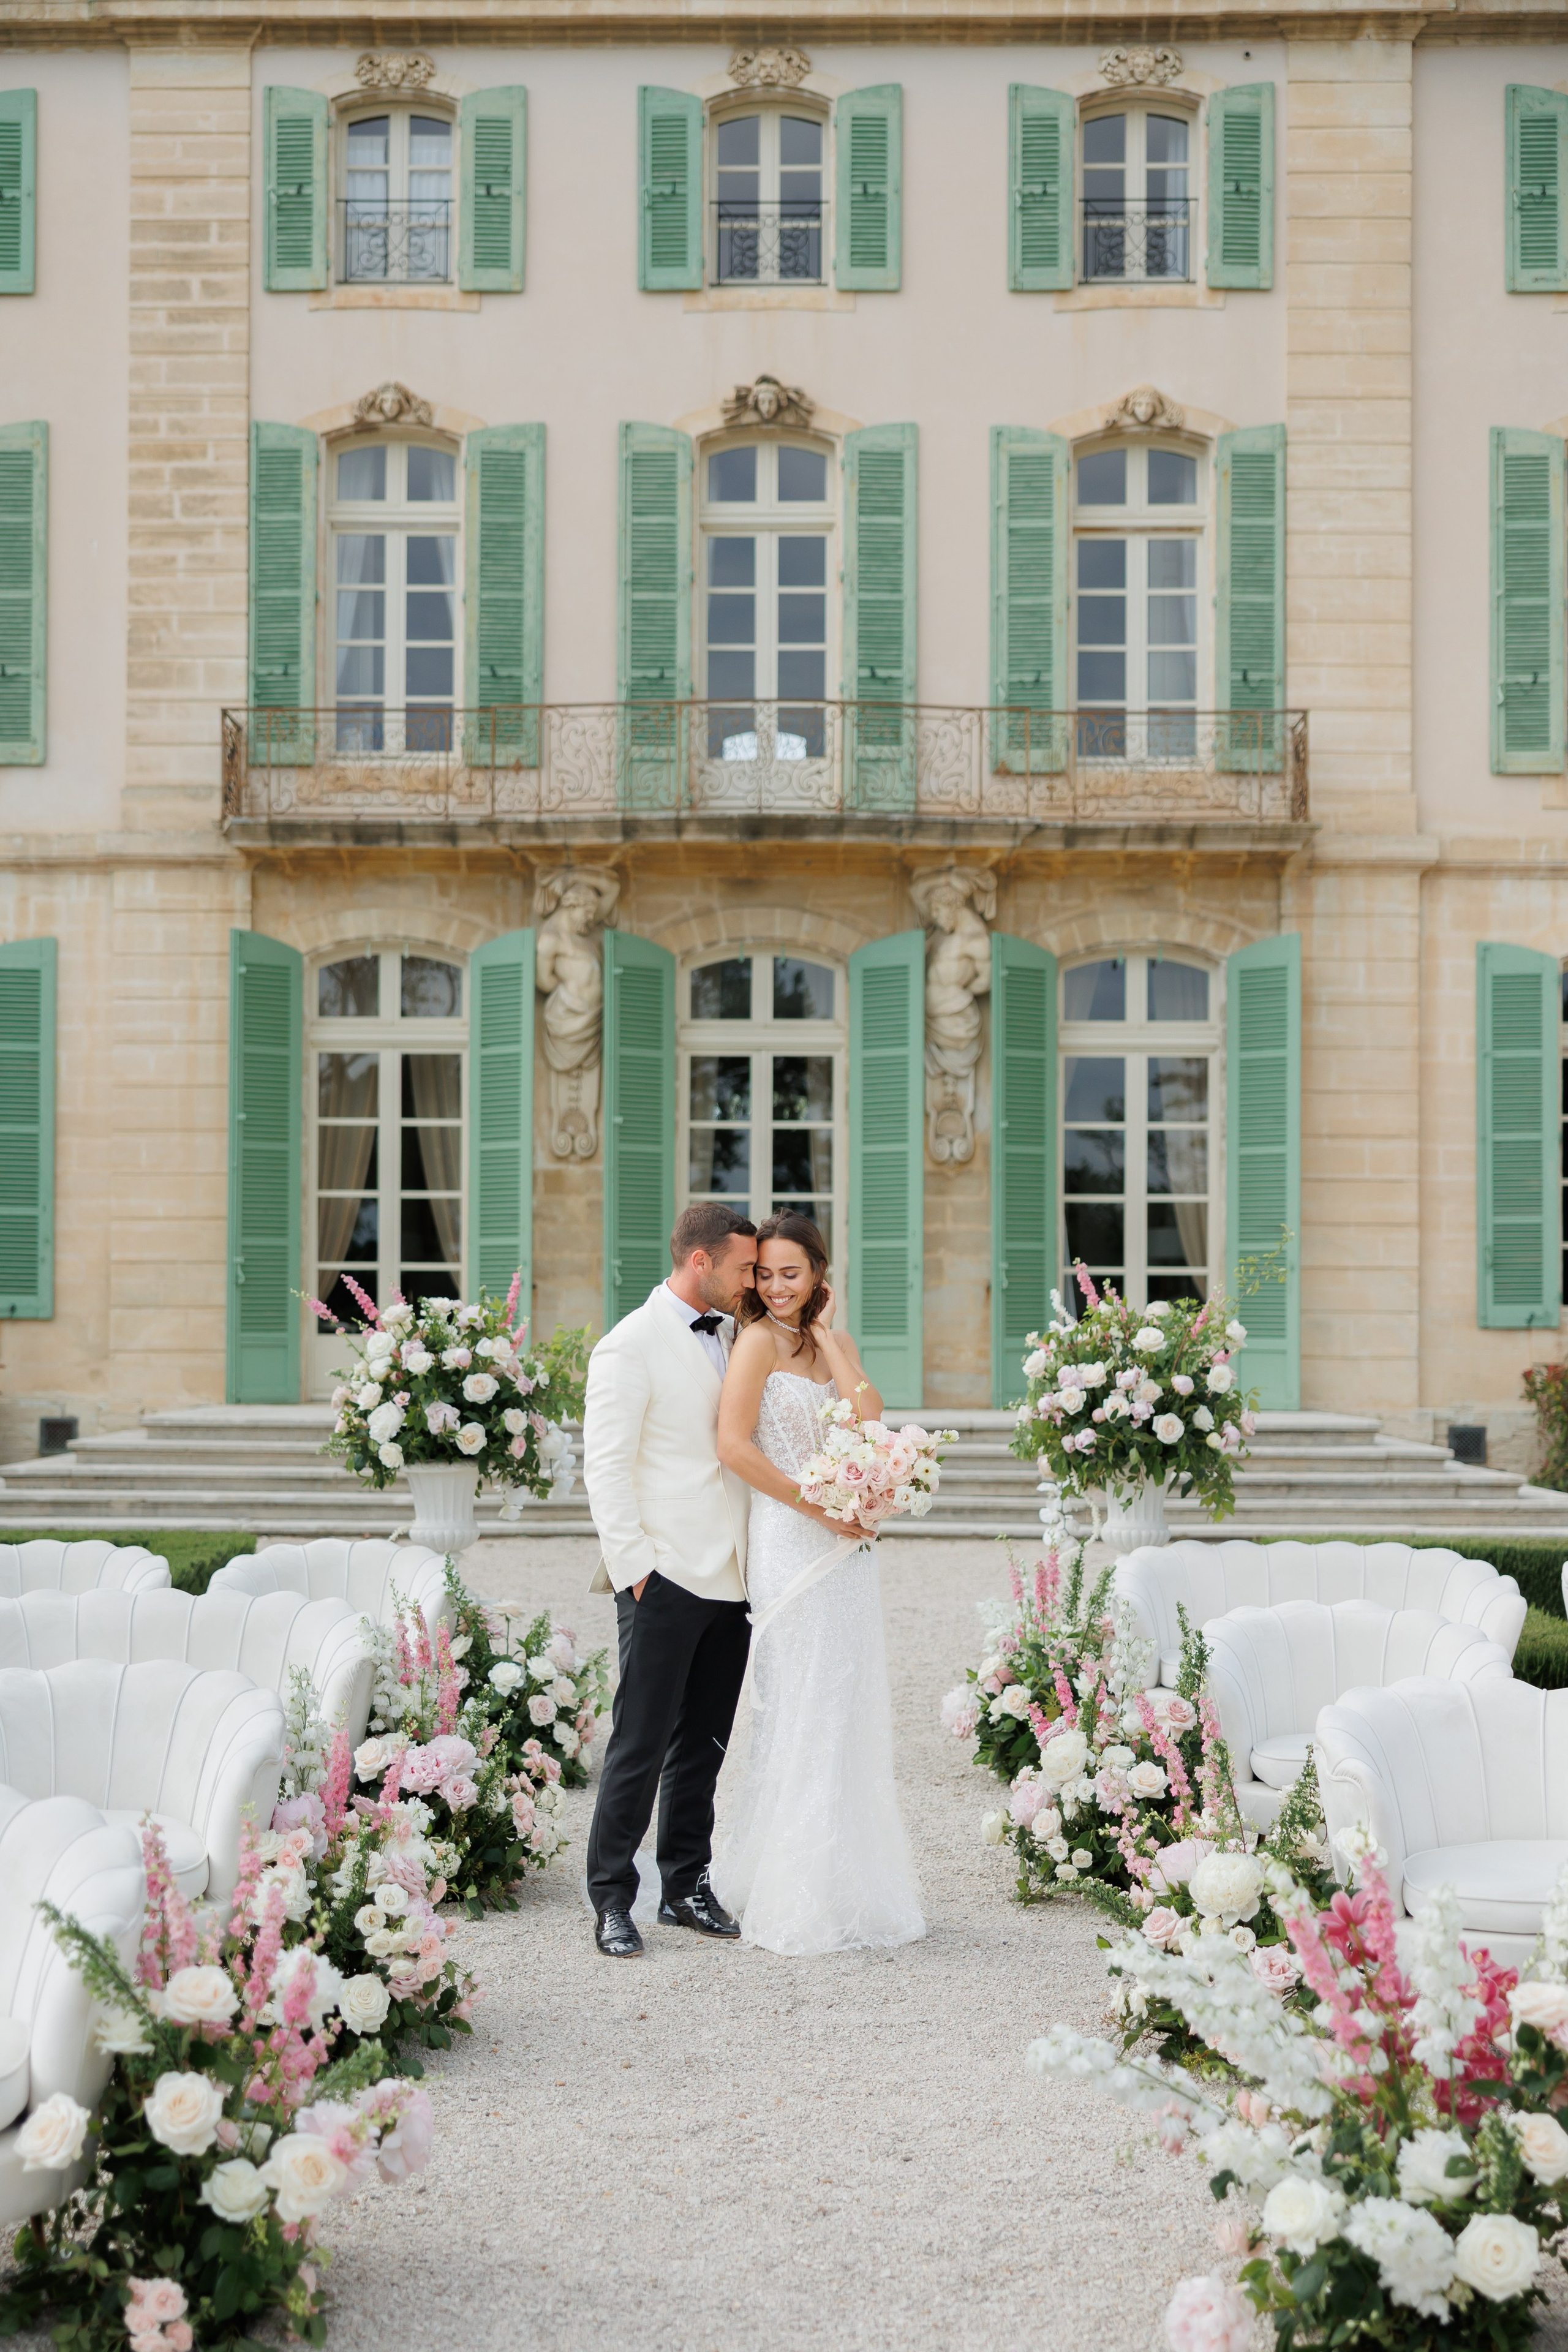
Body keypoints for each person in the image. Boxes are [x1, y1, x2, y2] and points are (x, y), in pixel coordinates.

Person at [710, 1210, 925, 1956]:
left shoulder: (828, 1343)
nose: (775, 1287)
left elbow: (869, 1419)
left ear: (818, 1276)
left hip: (845, 1546)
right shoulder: (754, 1345)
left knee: (843, 1698)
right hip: (790, 1538)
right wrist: (818, 1505)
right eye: (764, 1274)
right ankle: (788, 1889)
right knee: (802, 1698)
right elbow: (734, 1447)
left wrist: (832, 1339)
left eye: (790, 1274)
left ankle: (843, 1885)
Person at [581, 1203, 759, 1959]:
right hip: (664, 1576)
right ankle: (612, 1900)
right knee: (640, 1742)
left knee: (705, 1744)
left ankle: (685, 1884)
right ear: (701, 1262)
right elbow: (606, 1467)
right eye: (744, 1267)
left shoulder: (736, 1337)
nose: (753, 1280)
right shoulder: (628, 1346)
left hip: (734, 1578)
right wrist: (636, 1574)